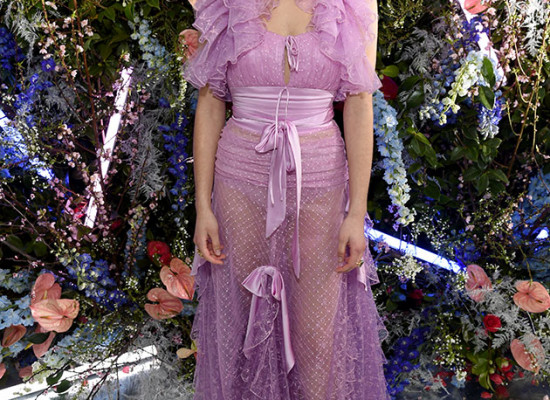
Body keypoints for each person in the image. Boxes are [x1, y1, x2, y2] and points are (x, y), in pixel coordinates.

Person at [183, 0, 390, 398]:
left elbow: (360, 103)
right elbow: (210, 102)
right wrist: (203, 206)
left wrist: (357, 211)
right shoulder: (225, 3)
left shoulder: (354, 5)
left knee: (316, 336)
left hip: (321, 185)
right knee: (241, 327)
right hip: (238, 183)